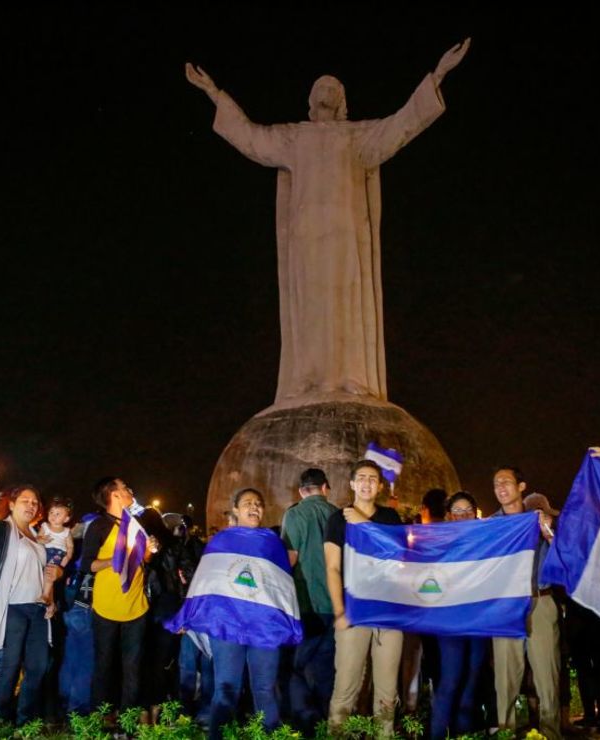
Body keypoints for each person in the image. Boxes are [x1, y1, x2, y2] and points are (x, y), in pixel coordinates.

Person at [184, 40, 470, 401]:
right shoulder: (294, 137)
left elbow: (402, 124)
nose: (327, 93)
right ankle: (307, 379)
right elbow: (251, 138)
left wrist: (439, 73)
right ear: (311, 98)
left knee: (346, 304)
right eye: (321, 88)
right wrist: (213, 92)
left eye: (333, 89)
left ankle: (350, 377)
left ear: (342, 101)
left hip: (344, 234)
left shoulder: (357, 138)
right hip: (306, 235)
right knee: (310, 306)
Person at [167, 487, 300, 739]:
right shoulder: (221, 541)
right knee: (226, 687)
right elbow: (206, 582)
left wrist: (289, 620)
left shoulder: (272, 543)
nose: (254, 507)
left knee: (265, 688)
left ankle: (268, 735)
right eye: (248, 502)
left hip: (264, 628)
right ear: (236, 510)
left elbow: (282, 586)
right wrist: (188, 615)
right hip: (228, 627)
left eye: (258, 503)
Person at [324, 460, 404, 735]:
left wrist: (364, 524)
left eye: (373, 478)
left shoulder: (390, 518)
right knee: (346, 686)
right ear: (352, 484)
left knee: (386, 690)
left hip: (387, 614)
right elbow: (332, 568)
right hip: (353, 613)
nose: (367, 483)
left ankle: (385, 735)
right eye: (362, 478)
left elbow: (398, 554)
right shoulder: (337, 519)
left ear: (380, 485)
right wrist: (339, 611)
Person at [0, 481, 55, 726]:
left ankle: (24, 722)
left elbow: (40, 573)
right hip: (12, 608)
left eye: (35, 502)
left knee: (38, 667)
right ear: (11, 504)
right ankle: (0, 723)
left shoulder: (38, 537)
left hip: (38, 610)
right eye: (25, 501)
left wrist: (50, 598)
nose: (31, 505)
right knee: (8, 668)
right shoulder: (3, 530)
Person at [488, 467, 560, 740]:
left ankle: (551, 733)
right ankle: (507, 732)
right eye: (496, 484)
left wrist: (548, 532)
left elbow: (565, 557)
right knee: (506, 677)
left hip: (540, 600)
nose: (501, 488)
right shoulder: (491, 526)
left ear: (521, 486)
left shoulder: (539, 520)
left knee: (547, 674)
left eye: (506, 482)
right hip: (506, 606)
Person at [83, 477, 157, 715]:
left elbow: (143, 560)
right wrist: (111, 561)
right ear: (113, 495)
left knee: (133, 667)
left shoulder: (134, 523)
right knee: (104, 666)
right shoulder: (99, 526)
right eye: (125, 488)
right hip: (106, 607)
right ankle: (99, 719)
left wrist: (149, 549)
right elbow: (87, 565)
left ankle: (129, 720)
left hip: (136, 607)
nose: (130, 490)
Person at [279, 468, 339, 732]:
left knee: (294, 667)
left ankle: (304, 722)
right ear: (326, 488)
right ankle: (326, 722)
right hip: (335, 605)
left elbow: (289, 559)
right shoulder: (339, 515)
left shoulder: (294, 514)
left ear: (302, 490)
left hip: (305, 604)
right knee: (325, 668)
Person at [430, 491, 491, 739]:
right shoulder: (439, 542)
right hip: (451, 622)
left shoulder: (488, 540)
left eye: (468, 511)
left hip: (479, 620)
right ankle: (436, 734)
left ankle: (463, 734)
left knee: (472, 682)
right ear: (449, 516)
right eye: (458, 512)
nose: (463, 515)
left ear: (475, 514)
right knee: (451, 680)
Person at [37, 498, 74, 608]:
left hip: (57, 554)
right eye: (51, 512)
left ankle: (45, 595)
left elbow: (70, 546)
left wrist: (68, 556)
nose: (53, 516)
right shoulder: (45, 526)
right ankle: (45, 596)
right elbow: (37, 538)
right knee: (41, 572)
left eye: (58, 514)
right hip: (44, 551)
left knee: (49, 574)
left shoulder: (66, 532)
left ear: (66, 518)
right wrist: (42, 540)